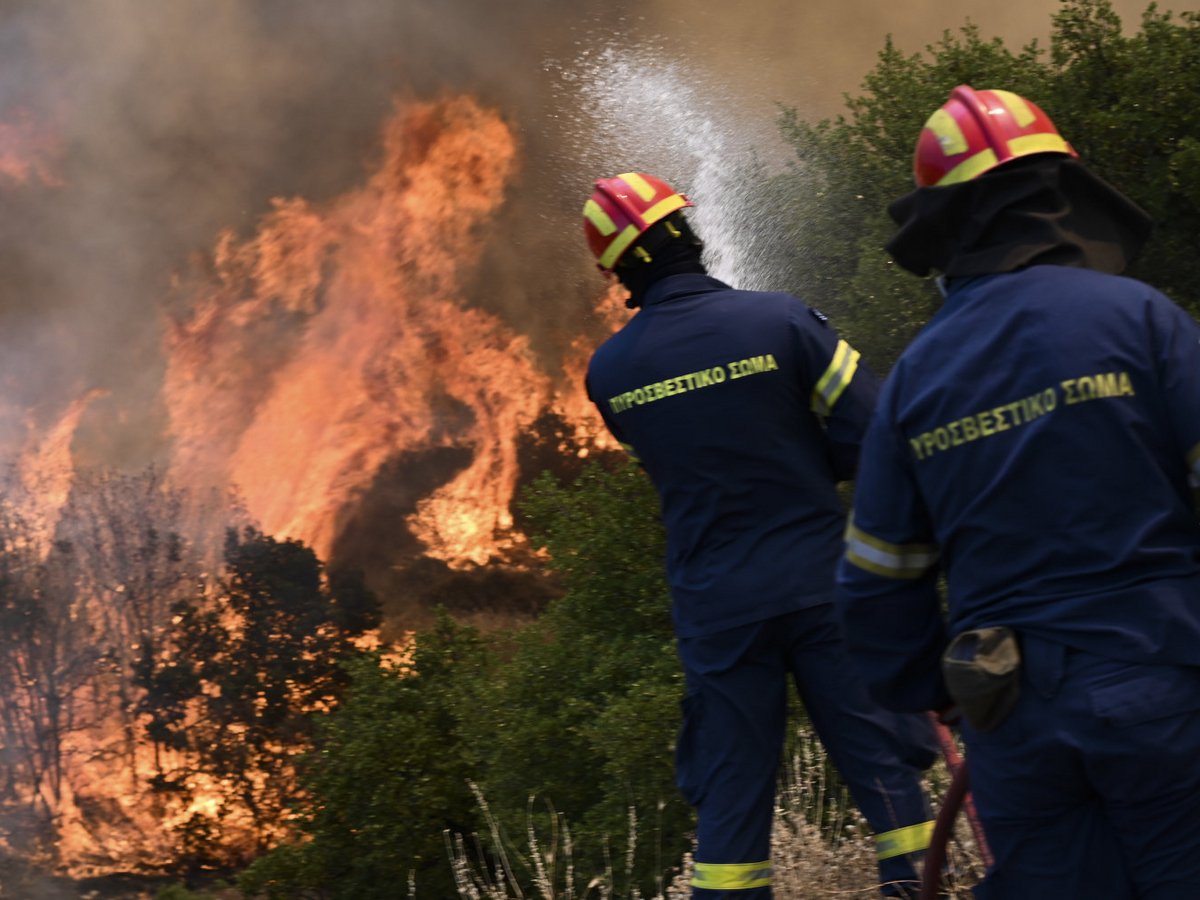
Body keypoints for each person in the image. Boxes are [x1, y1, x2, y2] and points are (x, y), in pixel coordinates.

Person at [835, 85, 1200, 898]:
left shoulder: (917, 379)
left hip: (1012, 719)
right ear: (1062, 194)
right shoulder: (1141, 319)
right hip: (1164, 685)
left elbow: (875, 582)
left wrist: (937, 692)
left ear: (947, 224)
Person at [582, 172, 939, 899]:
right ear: (690, 233)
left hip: (717, 609)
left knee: (731, 803)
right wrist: (809, 462)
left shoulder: (610, 372)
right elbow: (873, 434)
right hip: (819, 584)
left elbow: (677, 463)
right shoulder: (781, 322)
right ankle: (926, 888)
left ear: (618, 270)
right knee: (886, 772)